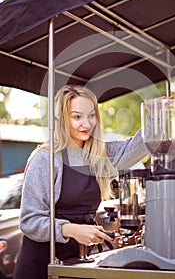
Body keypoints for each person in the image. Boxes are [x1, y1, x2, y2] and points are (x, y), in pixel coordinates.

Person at [13, 84, 149, 279]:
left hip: (80, 262)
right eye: (77, 117)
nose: (86, 123)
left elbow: (136, 148)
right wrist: (71, 230)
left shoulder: (100, 155)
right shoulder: (45, 159)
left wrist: (155, 116)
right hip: (42, 265)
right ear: (61, 120)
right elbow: (29, 221)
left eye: (91, 115)